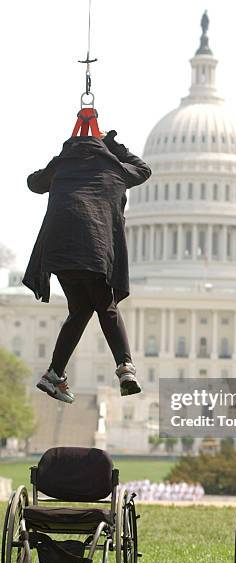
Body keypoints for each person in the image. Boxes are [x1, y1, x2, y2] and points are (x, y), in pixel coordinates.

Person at [23, 130, 151, 403]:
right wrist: (115, 147)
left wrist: (61, 158)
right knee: (105, 306)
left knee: (80, 309)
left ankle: (54, 374)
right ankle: (125, 366)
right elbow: (143, 169)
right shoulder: (115, 167)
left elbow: (33, 182)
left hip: (58, 251)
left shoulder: (62, 165)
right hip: (93, 247)